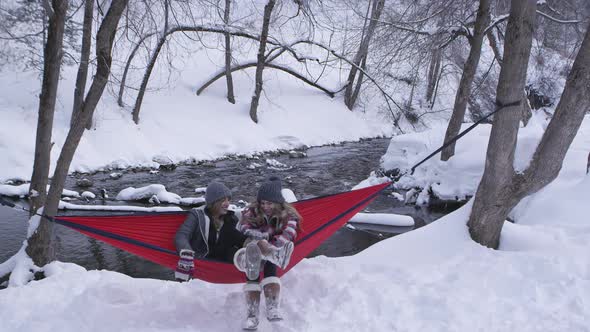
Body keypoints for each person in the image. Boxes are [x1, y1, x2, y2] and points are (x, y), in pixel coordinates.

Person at [233, 176, 301, 330]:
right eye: (262, 203)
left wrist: (274, 244)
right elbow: (243, 227)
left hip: (272, 249)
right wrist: (261, 239)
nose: (265, 206)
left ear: (277, 202)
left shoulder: (287, 215)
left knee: (270, 269)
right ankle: (252, 315)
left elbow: (289, 232)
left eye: (269, 203)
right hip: (250, 249)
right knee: (253, 268)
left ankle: (272, 307)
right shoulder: (251, 211)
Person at [174, 181, 247, 282]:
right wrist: (187, 254)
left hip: (225, 265)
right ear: (213, 202)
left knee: (240, 244)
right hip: (201, 261)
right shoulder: (197, 215)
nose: (227, 203)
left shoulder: (231, 218)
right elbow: (182, 235)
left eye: (228, 200)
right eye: (222, 200)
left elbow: (238, 239)